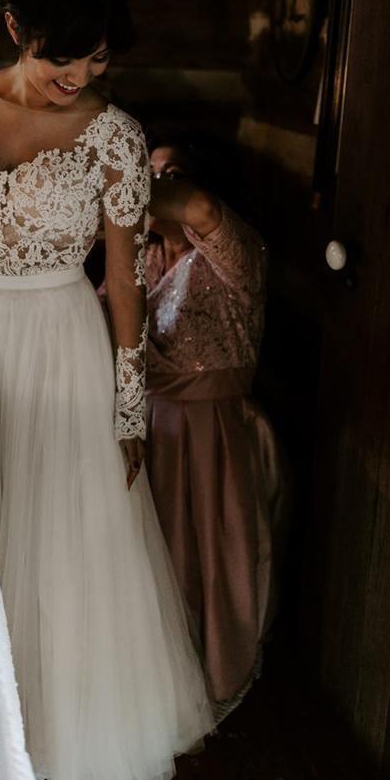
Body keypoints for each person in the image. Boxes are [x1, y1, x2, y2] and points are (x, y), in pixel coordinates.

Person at [0, 0, 213, 780]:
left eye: (98, 59)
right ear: (17, 29)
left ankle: (61, 735)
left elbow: (123, 280)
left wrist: (129, 408)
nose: (79, 77)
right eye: (62, 59)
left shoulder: (115, 137)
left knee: (66, 538)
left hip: (64, 343)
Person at [144, 134, 286, 711]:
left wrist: (120, 185)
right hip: (154, 428)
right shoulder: (146, 257)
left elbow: (199, 210)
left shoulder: (236, 254)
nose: (158, 186)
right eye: (150, 172)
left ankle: (209, 679)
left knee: (212, 562)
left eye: (171, 174)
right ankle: (159, 680)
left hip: (213, 433)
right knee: (158, 560)